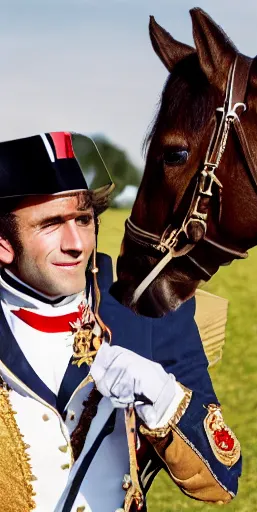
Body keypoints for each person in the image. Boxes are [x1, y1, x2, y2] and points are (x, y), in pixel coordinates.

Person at [0, 132, 241, 511]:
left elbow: (221, 479)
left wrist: (163, 397)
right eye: (50, 224)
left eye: (83, 219)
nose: (76, 243)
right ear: (3, 242)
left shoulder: (148, 312)